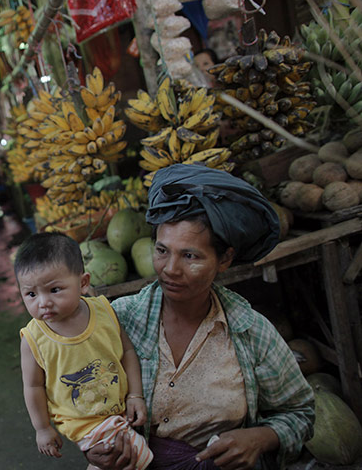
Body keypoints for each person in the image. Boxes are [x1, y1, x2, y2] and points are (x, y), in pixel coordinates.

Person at [85, 164, 314, 470]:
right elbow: (80, 398)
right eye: (162, 250)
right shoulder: (119, 320)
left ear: (225, 259)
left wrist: (261, 437)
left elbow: (300, 412)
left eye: (190, 256)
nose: (170, 269)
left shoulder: (250, 331)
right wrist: (92, 444)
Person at [15, 232, 154, 470]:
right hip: (82, 423)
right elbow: (33, 386)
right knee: (133, 459)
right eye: (31, 294)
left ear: (83, 283)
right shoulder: (33, 340)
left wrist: (135, 395)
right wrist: (42, 428)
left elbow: (127, 352)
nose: (43, 302)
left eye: (54, 290)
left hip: (120, 410)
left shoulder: (103, 311)